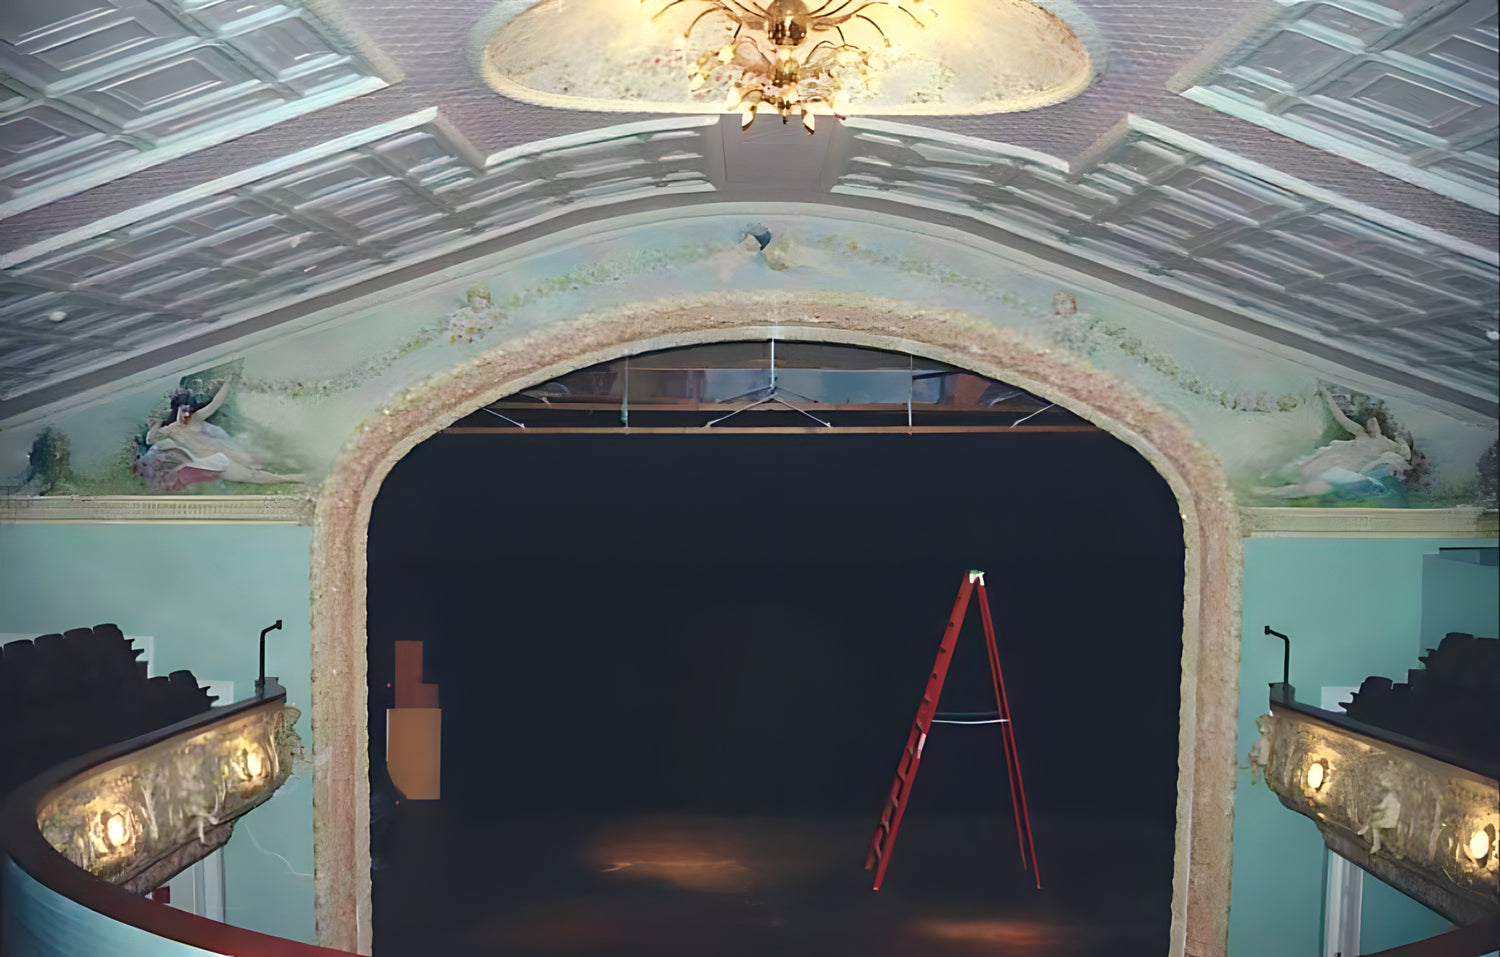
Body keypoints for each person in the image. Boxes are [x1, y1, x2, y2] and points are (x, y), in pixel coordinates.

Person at [133, 377, 303, 491]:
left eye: (188, 411)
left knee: (258, 460)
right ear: (177, 412)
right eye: (183, 411)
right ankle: (293, 478)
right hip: (214, 460)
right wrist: (156, 425)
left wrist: (228, 383)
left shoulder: (195, 419)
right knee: (252, 476)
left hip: (224, 449)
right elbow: (151, 438)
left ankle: (297, 464)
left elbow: (214, 405)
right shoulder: (170, 431)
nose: (186, 414)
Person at [1259, 392, 1413, 499]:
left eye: (1374, 423)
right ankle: (1268, 478)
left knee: (1312, 487)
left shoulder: (1387, 444)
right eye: (1369, 422)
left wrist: (1402, 440)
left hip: (1345, 470)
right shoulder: (1360, 432)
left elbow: (1404, 455)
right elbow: (1341, 419)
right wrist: (1327, 398)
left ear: (1379, 427)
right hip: (1333, 460)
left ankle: (1271, 492)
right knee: (1299, 470)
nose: (1371, 424)